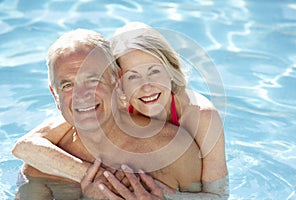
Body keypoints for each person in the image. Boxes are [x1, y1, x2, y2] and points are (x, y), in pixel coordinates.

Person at [12, 27, 228, 199]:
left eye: (93, 79)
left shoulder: (181, 145)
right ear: (54, 95)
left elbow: (219, 195)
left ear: (116, 82)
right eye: (67, 85)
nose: (82, 95)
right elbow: (25, 146)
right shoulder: (44, 161)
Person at [81, 22, 229, 199]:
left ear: (170, 69)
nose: (146, 87)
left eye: (154, 71)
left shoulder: (201, 117)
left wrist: (168, 197)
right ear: (119, 83)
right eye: (133, 76)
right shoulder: (115, 106)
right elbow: (39, 141)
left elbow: (219, 195)